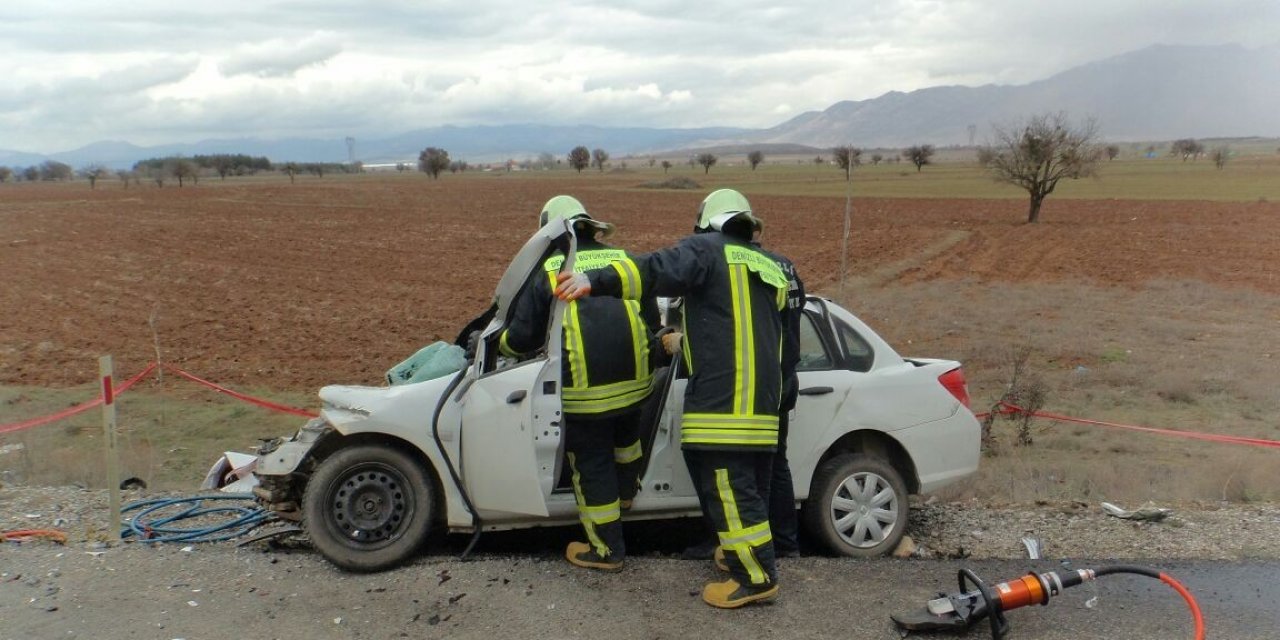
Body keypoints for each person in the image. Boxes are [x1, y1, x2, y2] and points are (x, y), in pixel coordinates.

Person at [556, 188, 787, 609]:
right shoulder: (772, 264)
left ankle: (756, 577)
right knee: (750, 487)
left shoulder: (706, 250)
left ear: (707, 224)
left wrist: (594, 280)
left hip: (722, 401)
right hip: (763, 401)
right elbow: (768, 328)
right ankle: (735, 554)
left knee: (729, 487)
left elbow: (655, 269)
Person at [499, 195, 658, 572]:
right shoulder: (622, 259)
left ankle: (606, 550)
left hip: (585, 396)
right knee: (627, 443)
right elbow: (651, 319)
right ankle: (626, 497)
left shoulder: (550, 269)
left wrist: (499, 343)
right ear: (590, 226)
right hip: (637, 385)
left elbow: (521, 338)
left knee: (592, 465)